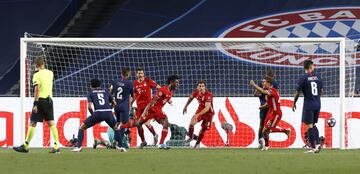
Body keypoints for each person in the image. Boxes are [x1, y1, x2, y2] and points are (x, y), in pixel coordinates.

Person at [13, 57, 60, 153]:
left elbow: (37, 89)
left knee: (33, 122)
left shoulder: (36, 75)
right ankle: (56, 146)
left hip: (40, 101)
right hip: (49, 101)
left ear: (36, 65)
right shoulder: (50, 73)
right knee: (51, 123)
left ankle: (25, 146)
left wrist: (35, 103)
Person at [121, 75, 180, 149]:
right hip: (151, 110)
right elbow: (152, 101)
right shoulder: (162, 90)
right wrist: (145, 111)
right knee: (138, 123)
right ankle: (121, 126)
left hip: (158, 112)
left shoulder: (170, 92)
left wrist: (169, 101)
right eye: (176, 82)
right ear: (171, 82)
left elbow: (164, 99)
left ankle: (161, 144)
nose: (178, 84)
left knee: (166, 123)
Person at [71, 79, 123, 152]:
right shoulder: (106, 91)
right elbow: (114, 103)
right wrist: (109, 109)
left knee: (81, 127)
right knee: (116, 128)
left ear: (91, 86)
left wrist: (93, 115)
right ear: (99, 85)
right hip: (108, 113)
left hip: (98, 113)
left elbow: (89, 106)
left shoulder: (91, 93)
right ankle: (121, 147)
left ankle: (79, 147)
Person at [250, 77, 289, 150]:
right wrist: (263, 106)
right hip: (270, 113)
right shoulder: (269, 91)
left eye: (264, 82)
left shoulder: (272, 90)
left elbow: (264, 92)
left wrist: (254, 85)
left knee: (267, 130)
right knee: (264, 130)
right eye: (262, 82)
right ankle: (267, 146)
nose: (263, 83)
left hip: (276, 113)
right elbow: (269, 103)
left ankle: (285, 131)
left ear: (269, 83)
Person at [293, 60, 323, 153]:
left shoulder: (303, 78)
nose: (314, 67)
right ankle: (318, 144)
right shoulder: (318, 77)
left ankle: (314, 147)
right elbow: (321, 91)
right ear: (310, 67)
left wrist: (294, 102)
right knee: (313, 124)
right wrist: (316, 98)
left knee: (309, 126)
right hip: (318, 103)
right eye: (313, 65)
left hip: (309, 104)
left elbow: (298, 93)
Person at [132, 68, 160, 147]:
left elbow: (158, 87)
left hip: (148, 107)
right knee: (138, 125)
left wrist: (162, 95)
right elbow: (134, 95)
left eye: (141, 73)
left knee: (147, 123)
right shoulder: (135, 83)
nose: (140, 75)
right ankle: (144, 141)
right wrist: (130, 104)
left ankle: (155, 135)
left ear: (143, 74)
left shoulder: (148, 81)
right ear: (136, 74)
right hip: (139, 108)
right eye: (138, 73)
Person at [183, 80, 214, 149]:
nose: (201, 88)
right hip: (200, 111)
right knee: (191, 124)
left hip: (209, 114)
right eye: (200, 86)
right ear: (197, 87)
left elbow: (207, 108)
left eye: (203, 86)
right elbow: (190, 98)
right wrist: (185, 106)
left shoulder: (208, 95)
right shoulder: (196, 93)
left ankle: (197, 143)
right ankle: (191, 137)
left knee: (202, 130)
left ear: (205, 87)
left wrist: (197, 115)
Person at [109, 67, 134, 152]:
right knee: (123, 125)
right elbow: (133, 95)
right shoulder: (130, 83)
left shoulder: (115, 82)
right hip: (124, 107)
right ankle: (119, 144)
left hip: (116, 106)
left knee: (117, 123)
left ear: (121, 74)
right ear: (128, 74)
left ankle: (114, 141)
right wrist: (130, 104)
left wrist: (112, 103)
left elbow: (110, 93)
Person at [253, 69, 279, 148]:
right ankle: (264, 143)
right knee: (265, 126)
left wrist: (262, 93)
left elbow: (256, 94)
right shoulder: (265, 83)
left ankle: (262, 143)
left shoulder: (268, 83)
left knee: (263, 125)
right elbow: (256, 94)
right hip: (268, 107)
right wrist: (263, 94)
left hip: (267, 107)